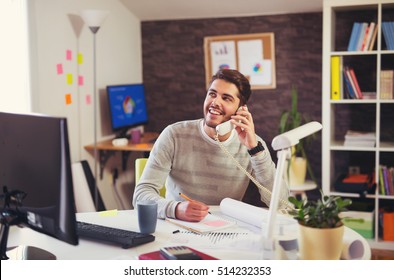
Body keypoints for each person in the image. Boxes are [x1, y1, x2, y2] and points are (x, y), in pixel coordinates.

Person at [132, 69, 288, 222]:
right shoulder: (174, 134)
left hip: (224, 230)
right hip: (178, 225)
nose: (215, 102)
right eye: (212, 94)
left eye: (226, 98)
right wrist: (175, 209)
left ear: (241, 109)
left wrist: (255, 151)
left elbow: (281, 204)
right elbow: (140, 196)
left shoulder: (253, 144)